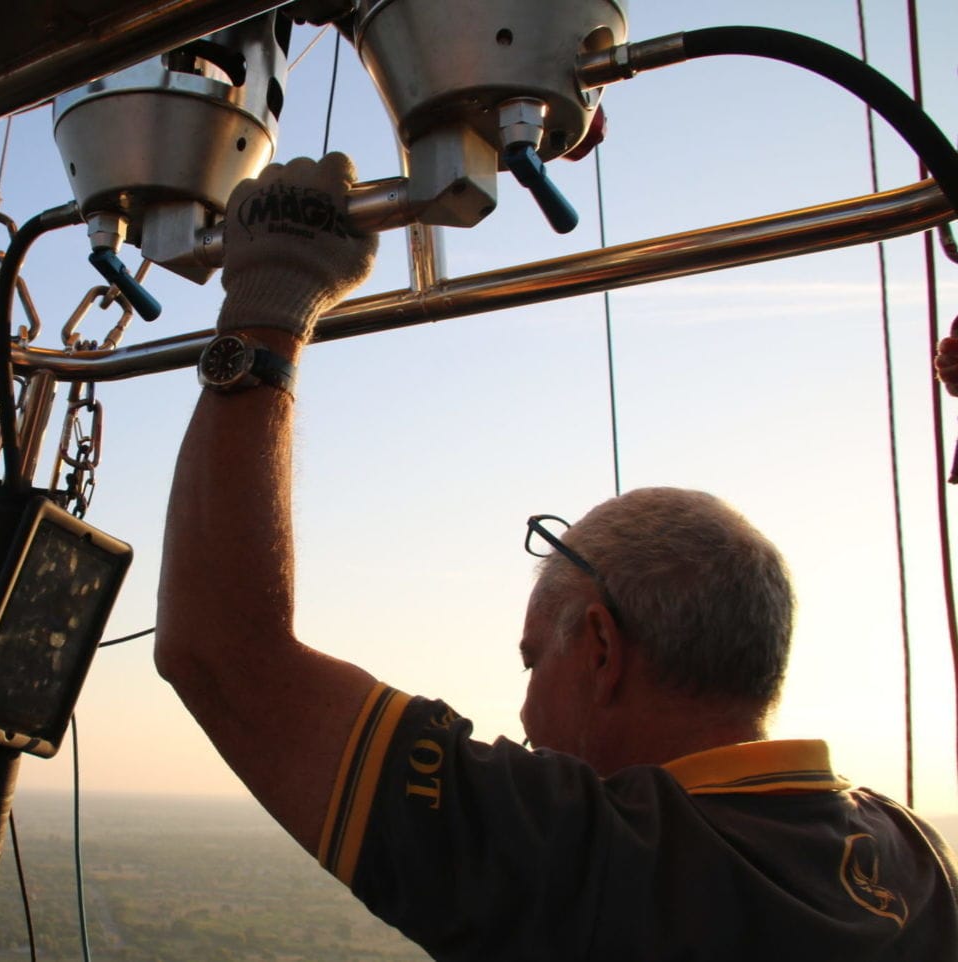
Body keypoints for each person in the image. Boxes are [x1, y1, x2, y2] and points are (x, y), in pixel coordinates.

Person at [155, 153, 958, 960]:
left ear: (603, 649)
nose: (528, 718)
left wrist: (271, 297)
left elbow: (223, 655)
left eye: (535, 660)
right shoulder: (913, 857)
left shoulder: (601, 863)